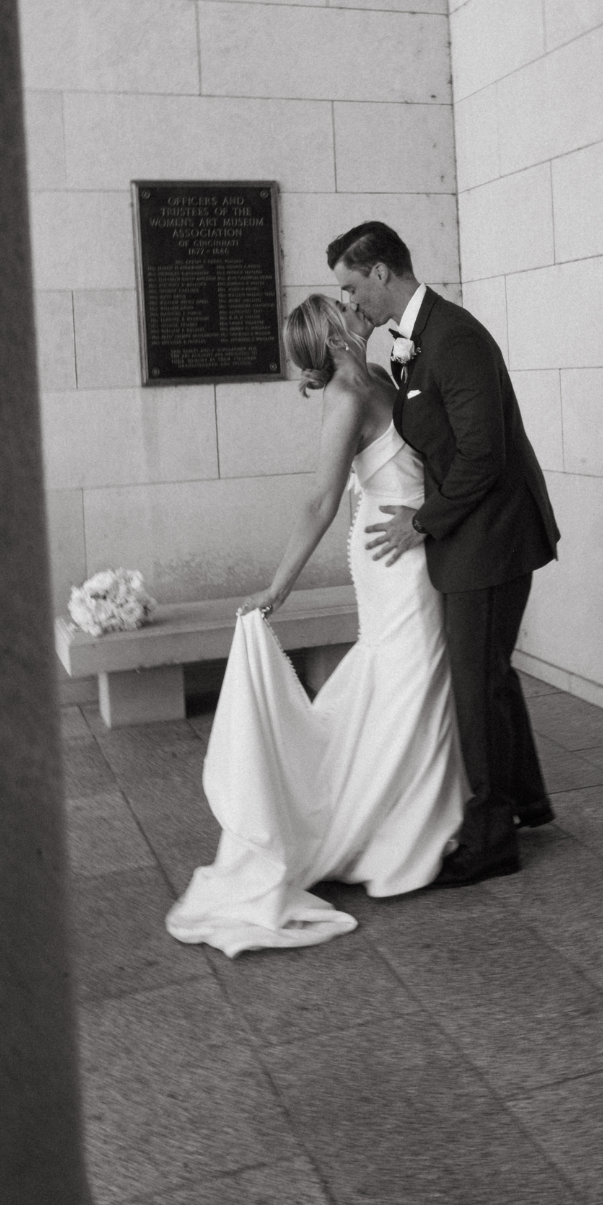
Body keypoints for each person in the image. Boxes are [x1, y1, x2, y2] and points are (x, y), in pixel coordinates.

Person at [166, 294, 467, 955]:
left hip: (410, 544)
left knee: (409, 680)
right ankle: (401, 832)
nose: (355, 305)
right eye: (343, 307)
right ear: (334, 336)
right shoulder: (348, 393)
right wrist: (279, 587)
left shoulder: (379, 376)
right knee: (412, 678)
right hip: (394, 560)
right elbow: (320, 499)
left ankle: (415, 818)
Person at [329, 223, 560, 887]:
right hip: (473, 532)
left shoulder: (453, 337)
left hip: (489, 536)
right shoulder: (409, 338)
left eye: (351, 286)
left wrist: (420, 522)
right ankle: (526, 800)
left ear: (380, 273)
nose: (349, 302)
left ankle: (490, 841)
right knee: (490, 671)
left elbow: (483, 452)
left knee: (475, 681)